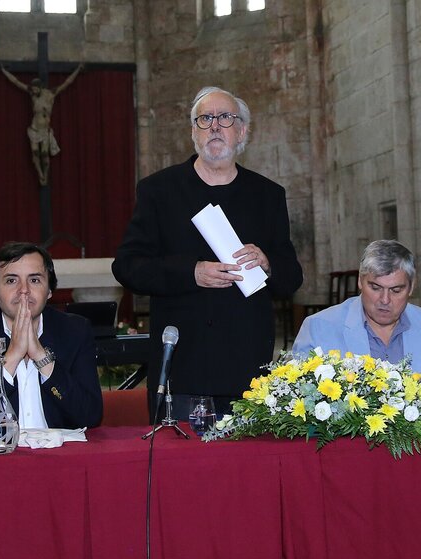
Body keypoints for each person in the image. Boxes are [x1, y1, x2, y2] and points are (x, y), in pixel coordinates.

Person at [113, 86, 303, 420]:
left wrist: (268, 263)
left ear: (242, 131)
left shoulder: (267, 195)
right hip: (182, 366)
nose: (214, 126)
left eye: (225, 118)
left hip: (246, 367)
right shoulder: (159, 190)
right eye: (205, 119)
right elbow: (128, 266)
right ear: (193, 131)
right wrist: (191, 272)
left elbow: (292, 277)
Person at [0, 242, 103, 431]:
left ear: (50, 290)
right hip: (0, 448)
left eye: (34, 280)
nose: (24, 290)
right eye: (11, 281)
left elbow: (90, 416)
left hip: (60, 447)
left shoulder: (75, 331)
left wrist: (41, 357)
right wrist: (12, 356)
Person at [292, 240, 421, 391]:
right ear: (360, 281)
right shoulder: (319, 329)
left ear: (412, 287)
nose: (385, 300)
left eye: (396, 290)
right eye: (375, 288)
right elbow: (298, 395)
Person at [0, 63, 83, 185]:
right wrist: (3, 70)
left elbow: (67, 82)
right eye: (32, 89)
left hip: (45, 130)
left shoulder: (51, 94)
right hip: (34, 128)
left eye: (35, 89)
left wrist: (78, 69)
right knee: (35, 152)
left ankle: (46, 173)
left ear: (40, 87)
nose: (33, 91)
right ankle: (40, 173)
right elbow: (16, 82)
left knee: (44, 155)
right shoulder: (32, 95)